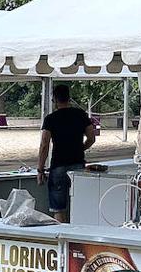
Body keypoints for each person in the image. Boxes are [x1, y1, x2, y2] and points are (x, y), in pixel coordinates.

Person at [36, 84, 96, 222]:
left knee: (58, 208)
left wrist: (40, 169)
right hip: (78, 166)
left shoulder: (50, 119)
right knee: (80, 205)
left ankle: (62, 239)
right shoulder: (81, 114)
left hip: (58, 167)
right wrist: (80, 148)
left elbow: (44, 145)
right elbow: (91, 138)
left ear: (54, 100)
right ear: (69, 98)